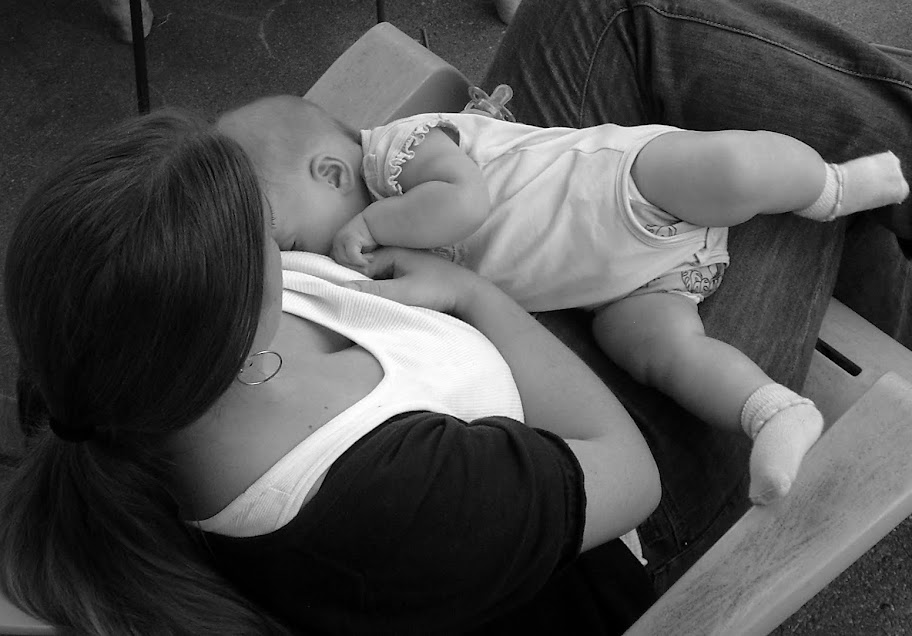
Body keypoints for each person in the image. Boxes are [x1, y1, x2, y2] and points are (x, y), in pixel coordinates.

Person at [1, 1, 911, 635]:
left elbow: (328, 181)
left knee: (602, 15)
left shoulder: (118, 346)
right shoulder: (390, 510)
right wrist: (473, 296)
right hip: (628, 478)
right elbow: (628, 477)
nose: (287, 249)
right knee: (767, 187)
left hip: (497, 320)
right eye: (267, 238)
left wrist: (433, 191)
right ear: (239, 324)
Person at [218, 93, 906, 508]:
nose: (297, 257)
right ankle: (773, 412)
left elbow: (465, 202)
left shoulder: (395, 153)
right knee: (658, 351)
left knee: (734, 169)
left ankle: (831, 187)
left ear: (331, 172)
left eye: (287, 239)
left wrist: (374, 222)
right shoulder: (375, 235)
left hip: (630, 189)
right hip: (631, 284)